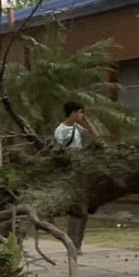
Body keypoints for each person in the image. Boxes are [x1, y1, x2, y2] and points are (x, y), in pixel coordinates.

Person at [54, 101, 98, 253]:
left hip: (81, 169)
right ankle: (72, 244)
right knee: (76, 210)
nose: (81, 115)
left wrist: (86, 120)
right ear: (72, 112)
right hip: (69, 172)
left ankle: (78, 244)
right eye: (80, 112)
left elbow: (94, 135)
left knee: (83, 211)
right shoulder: (60, 130)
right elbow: (57, 152)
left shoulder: (77, 127)